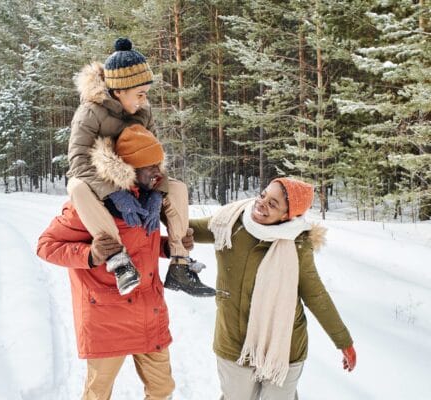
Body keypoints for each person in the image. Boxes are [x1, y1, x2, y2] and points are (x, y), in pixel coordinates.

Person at [37, 126, 197, 399]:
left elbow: (140, 245)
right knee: (98, 394)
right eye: (149, 167)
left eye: (159, 164)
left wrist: (167, 248)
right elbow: (46, 246)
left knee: (162, 389)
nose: (157, 172)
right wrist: (91, 254)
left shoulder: (153, 200)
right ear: (128, 168)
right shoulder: (91, 203)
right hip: (106, 317)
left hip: (150, 312)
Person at [66, 36, 214, 297]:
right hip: (103, 182)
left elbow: (154, 156)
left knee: (177, 188)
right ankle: (119, 260)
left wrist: (156, 192)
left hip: (139, 181)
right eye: (140, 93)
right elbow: (78, 162)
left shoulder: (144, 111)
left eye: (146, 93)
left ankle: (180, 264)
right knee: (76, 187)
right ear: (119, 90)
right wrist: (114, 192)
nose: (144, 99)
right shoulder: (89, 113)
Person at [187, 177, 357, 399]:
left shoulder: (297, 243)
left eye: (273, 203)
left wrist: (343, 341)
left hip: (284, 347)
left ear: (288, 215)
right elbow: (183, 226)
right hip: (234, 342)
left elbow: (315, 295)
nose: (262, 203)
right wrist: (153, 199)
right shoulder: (230, 223)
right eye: (263, 194)